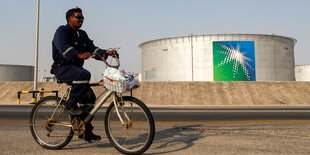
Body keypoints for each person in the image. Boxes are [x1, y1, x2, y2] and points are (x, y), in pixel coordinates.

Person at [50, 7, 112, 142]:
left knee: (90, 100)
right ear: (69, 19)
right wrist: (79, 54)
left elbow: (93, 49)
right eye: (78, 17)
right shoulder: (62, 31)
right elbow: (64, 48)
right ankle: (70, 105)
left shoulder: (82, 34)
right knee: (84, 74)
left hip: (76, 70)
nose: (81, 20)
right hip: (63, 68)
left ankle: (85, 132)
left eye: (82, 17)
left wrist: (107, 53)